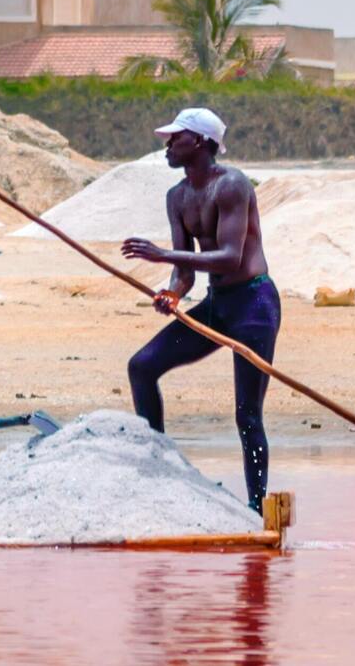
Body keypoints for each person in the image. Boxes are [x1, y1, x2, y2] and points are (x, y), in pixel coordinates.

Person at [119, 107, 279, 513]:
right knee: (142, 366)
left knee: (247, 415)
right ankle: (158, 468)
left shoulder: (233, 185)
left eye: (177, 138)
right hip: (218, 305)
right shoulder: (176, 196)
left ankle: (256, 509)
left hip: (254, 304)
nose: (168, 145)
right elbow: (185, 269)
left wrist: (158, 254)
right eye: (169, 138)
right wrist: (173, 293)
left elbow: (229, 257)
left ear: (203, 143)